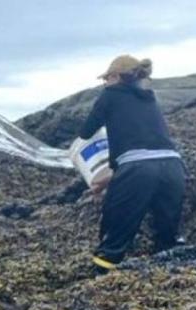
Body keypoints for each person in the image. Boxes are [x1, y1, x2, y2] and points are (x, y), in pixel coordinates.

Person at [79, 55, 186, 273]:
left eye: (106, 78)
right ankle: (165, 281)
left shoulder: (110, 95)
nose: (104, 83)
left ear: (116, 77)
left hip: (137, 170)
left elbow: (86, 132)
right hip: (174, 167)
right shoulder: (149, 97)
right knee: (168, 237)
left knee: (114, 238)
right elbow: (146, 150)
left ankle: (100, 282)